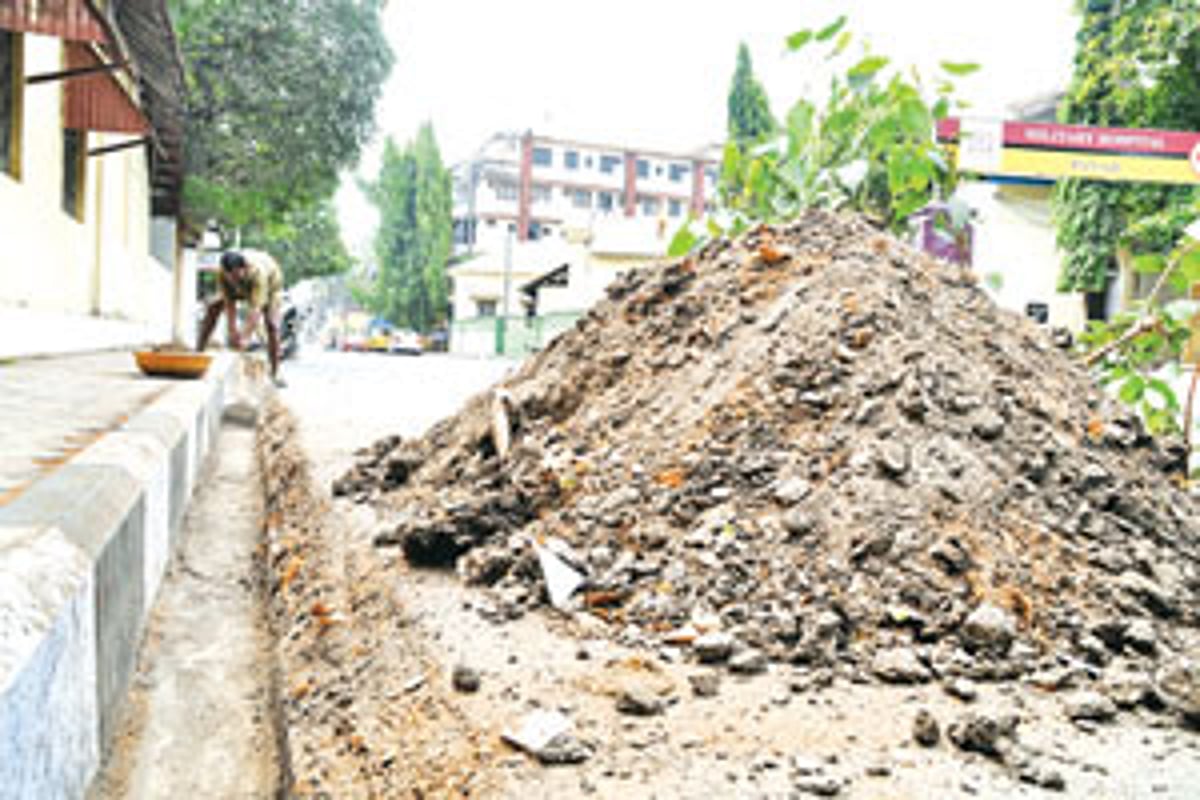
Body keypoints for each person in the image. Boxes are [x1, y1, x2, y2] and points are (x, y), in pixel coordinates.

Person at [197, 249, 286, 386]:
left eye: (236, 276)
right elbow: (229, 304)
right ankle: (198, 353)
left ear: (245, 269)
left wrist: (245, 337)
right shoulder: (222, 274)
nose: (233, 280)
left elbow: (255, 310)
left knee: (272, 324)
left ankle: (276, 372)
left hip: (271, 286)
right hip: (243, 284)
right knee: (213, 309)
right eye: (230, 277)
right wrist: (232, 331)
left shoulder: (258, 274)